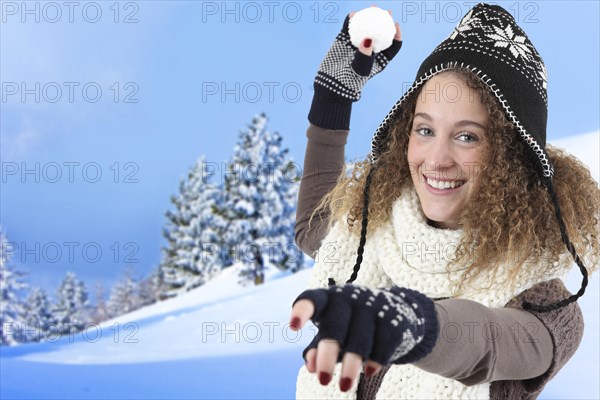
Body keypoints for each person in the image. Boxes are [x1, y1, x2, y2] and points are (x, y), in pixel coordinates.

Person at [288, 3, 599, 399]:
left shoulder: (547, 306)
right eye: (424, 129)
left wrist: (415, 324)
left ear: (511, 156)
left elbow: (484, 341)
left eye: (467, 136)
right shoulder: (373, 238)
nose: (436, 159)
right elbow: (314, 227)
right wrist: (333, 99)